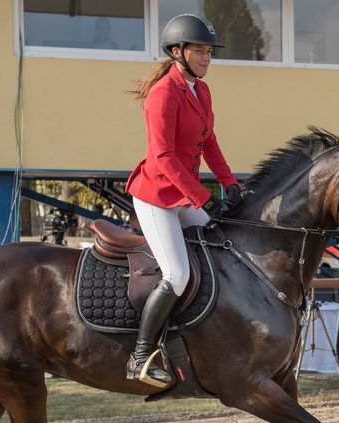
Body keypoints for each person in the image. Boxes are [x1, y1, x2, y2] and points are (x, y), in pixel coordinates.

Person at [125, 14, 241, 385]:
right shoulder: (163, 94)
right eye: (200, 51)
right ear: (178, 52)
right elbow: (162, 158)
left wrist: (229, 182)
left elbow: (209, 141)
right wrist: (203, 197)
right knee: (177, 273)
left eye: (209, 52)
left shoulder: (200, 91)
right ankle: (141, 355)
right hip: (157, 196)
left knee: (224, 246)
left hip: (185, 193)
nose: (207, 58)